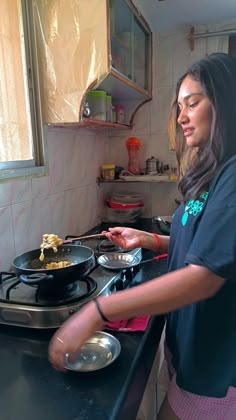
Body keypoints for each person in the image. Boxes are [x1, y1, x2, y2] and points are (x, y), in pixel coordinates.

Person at [48, 53, 236, 419]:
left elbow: (205, 277)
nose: (180, 117)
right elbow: (207, 246)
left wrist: (97, 311)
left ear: (226, 104)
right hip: (193, 352)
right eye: (178, 106)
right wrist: (150, 240)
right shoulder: (212, 172)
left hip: (217, 365)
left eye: (193, 104)